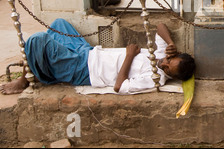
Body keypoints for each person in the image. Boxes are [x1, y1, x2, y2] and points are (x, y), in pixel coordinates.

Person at [0, 19, 195, 95]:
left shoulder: (155, 79)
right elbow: (160, 26)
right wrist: (170, 44)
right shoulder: (163, 56)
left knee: (38, 40)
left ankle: (25, 78)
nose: (164, 64)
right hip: (89, 52)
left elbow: (119, 87)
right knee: (59, 24)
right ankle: (43, 65)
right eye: (170, 60)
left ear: (174, 78)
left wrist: (129, 56)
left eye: (169, 69)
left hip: (85, 69)